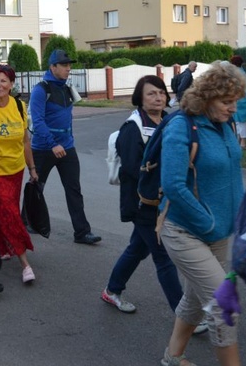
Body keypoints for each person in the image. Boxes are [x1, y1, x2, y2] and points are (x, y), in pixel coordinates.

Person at [159, 61, 246, 366]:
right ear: (206, 98)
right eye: (226, 102)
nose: (233, 109)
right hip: (184, 231)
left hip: (220, 233)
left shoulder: (225, 125)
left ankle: (172, 357)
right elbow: (172, 184)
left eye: (235, 101)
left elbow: (233, 176)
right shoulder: (181, 126)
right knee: (224, 306)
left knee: (196, 299)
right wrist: (207, 221)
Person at [101, 75, 185, 316]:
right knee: (163, 256)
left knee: (138, 248)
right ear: (140, 98)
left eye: (161, 93)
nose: (158, 97)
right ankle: (183, 314)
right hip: (143, 202)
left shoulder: (168, 121)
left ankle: (112, 290)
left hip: (162, 201)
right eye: (151, 93)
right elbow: (131, 168)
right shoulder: (133, 127)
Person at [29, 49, 101, 245]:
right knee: (36, 189)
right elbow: (37, 121)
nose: (69, 68)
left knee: (74, 190)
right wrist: (52, 144)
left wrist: (67, 140)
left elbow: (66, 118)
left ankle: (82, 232)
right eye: (64, 65)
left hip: (67, 148)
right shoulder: (40, 90)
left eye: (69, 65)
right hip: (44, 148)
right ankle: (26, 222)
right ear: (53, 67)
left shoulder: (67, 89)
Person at [0, 64, 37, 284]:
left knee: (4, 210)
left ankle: (0, 247)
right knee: (10, 213)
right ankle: (24, 262)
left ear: (11, 84)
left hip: (16, 169)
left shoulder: (18, 105)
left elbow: (25, 140)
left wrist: (32, 168)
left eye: (3, 81)